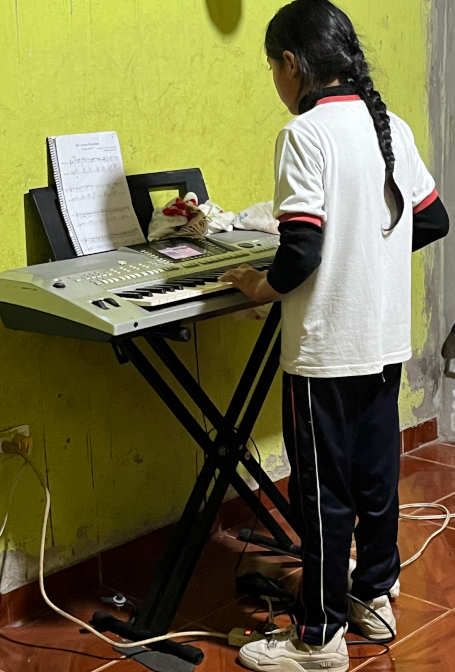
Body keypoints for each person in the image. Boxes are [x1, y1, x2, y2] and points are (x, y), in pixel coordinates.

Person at [219, 1, 450, 670]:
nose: (273, 78)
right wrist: (368, 259)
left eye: (271, 66)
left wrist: (255, 287)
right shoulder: (390, 127)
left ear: (291, 64)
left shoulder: (304, 135)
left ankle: (318, 639)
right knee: (376, 481)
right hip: (382, 342)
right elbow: (432, 221)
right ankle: (375, 599)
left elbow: (299, 252)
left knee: (321, 496)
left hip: (323, 352)